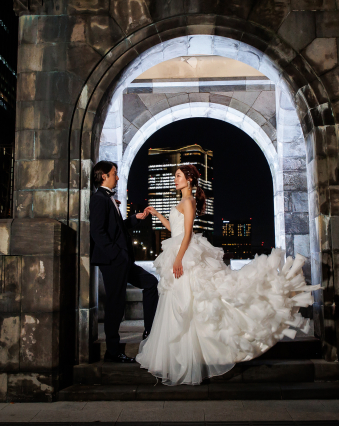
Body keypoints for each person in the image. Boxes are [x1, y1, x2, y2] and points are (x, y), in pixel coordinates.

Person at [135, 164, 319, 385]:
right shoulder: (181, 203)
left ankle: (193, 356)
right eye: (175, 176)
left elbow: (187, 235)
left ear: (189, 180)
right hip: (178, 252)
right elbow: (175, 231)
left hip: (184, 256)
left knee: (193, 303)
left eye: (178, 176)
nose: (175, 179)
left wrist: (178, 259)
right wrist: (156, 214)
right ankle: (181, 355)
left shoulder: (189, 202)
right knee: (181, 304)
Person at [89, 161, 159, 363]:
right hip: (114, 262)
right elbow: (97, 233)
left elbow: (118, 228)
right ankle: (112, 352)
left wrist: (135, 218)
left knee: (151, 283)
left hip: (123, 260)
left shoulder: (109, 199)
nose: (117, 177)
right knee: (115, 306)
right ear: (104, 176)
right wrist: (116, 255)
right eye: (114, 174)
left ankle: (149, 332)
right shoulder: (99, 199)